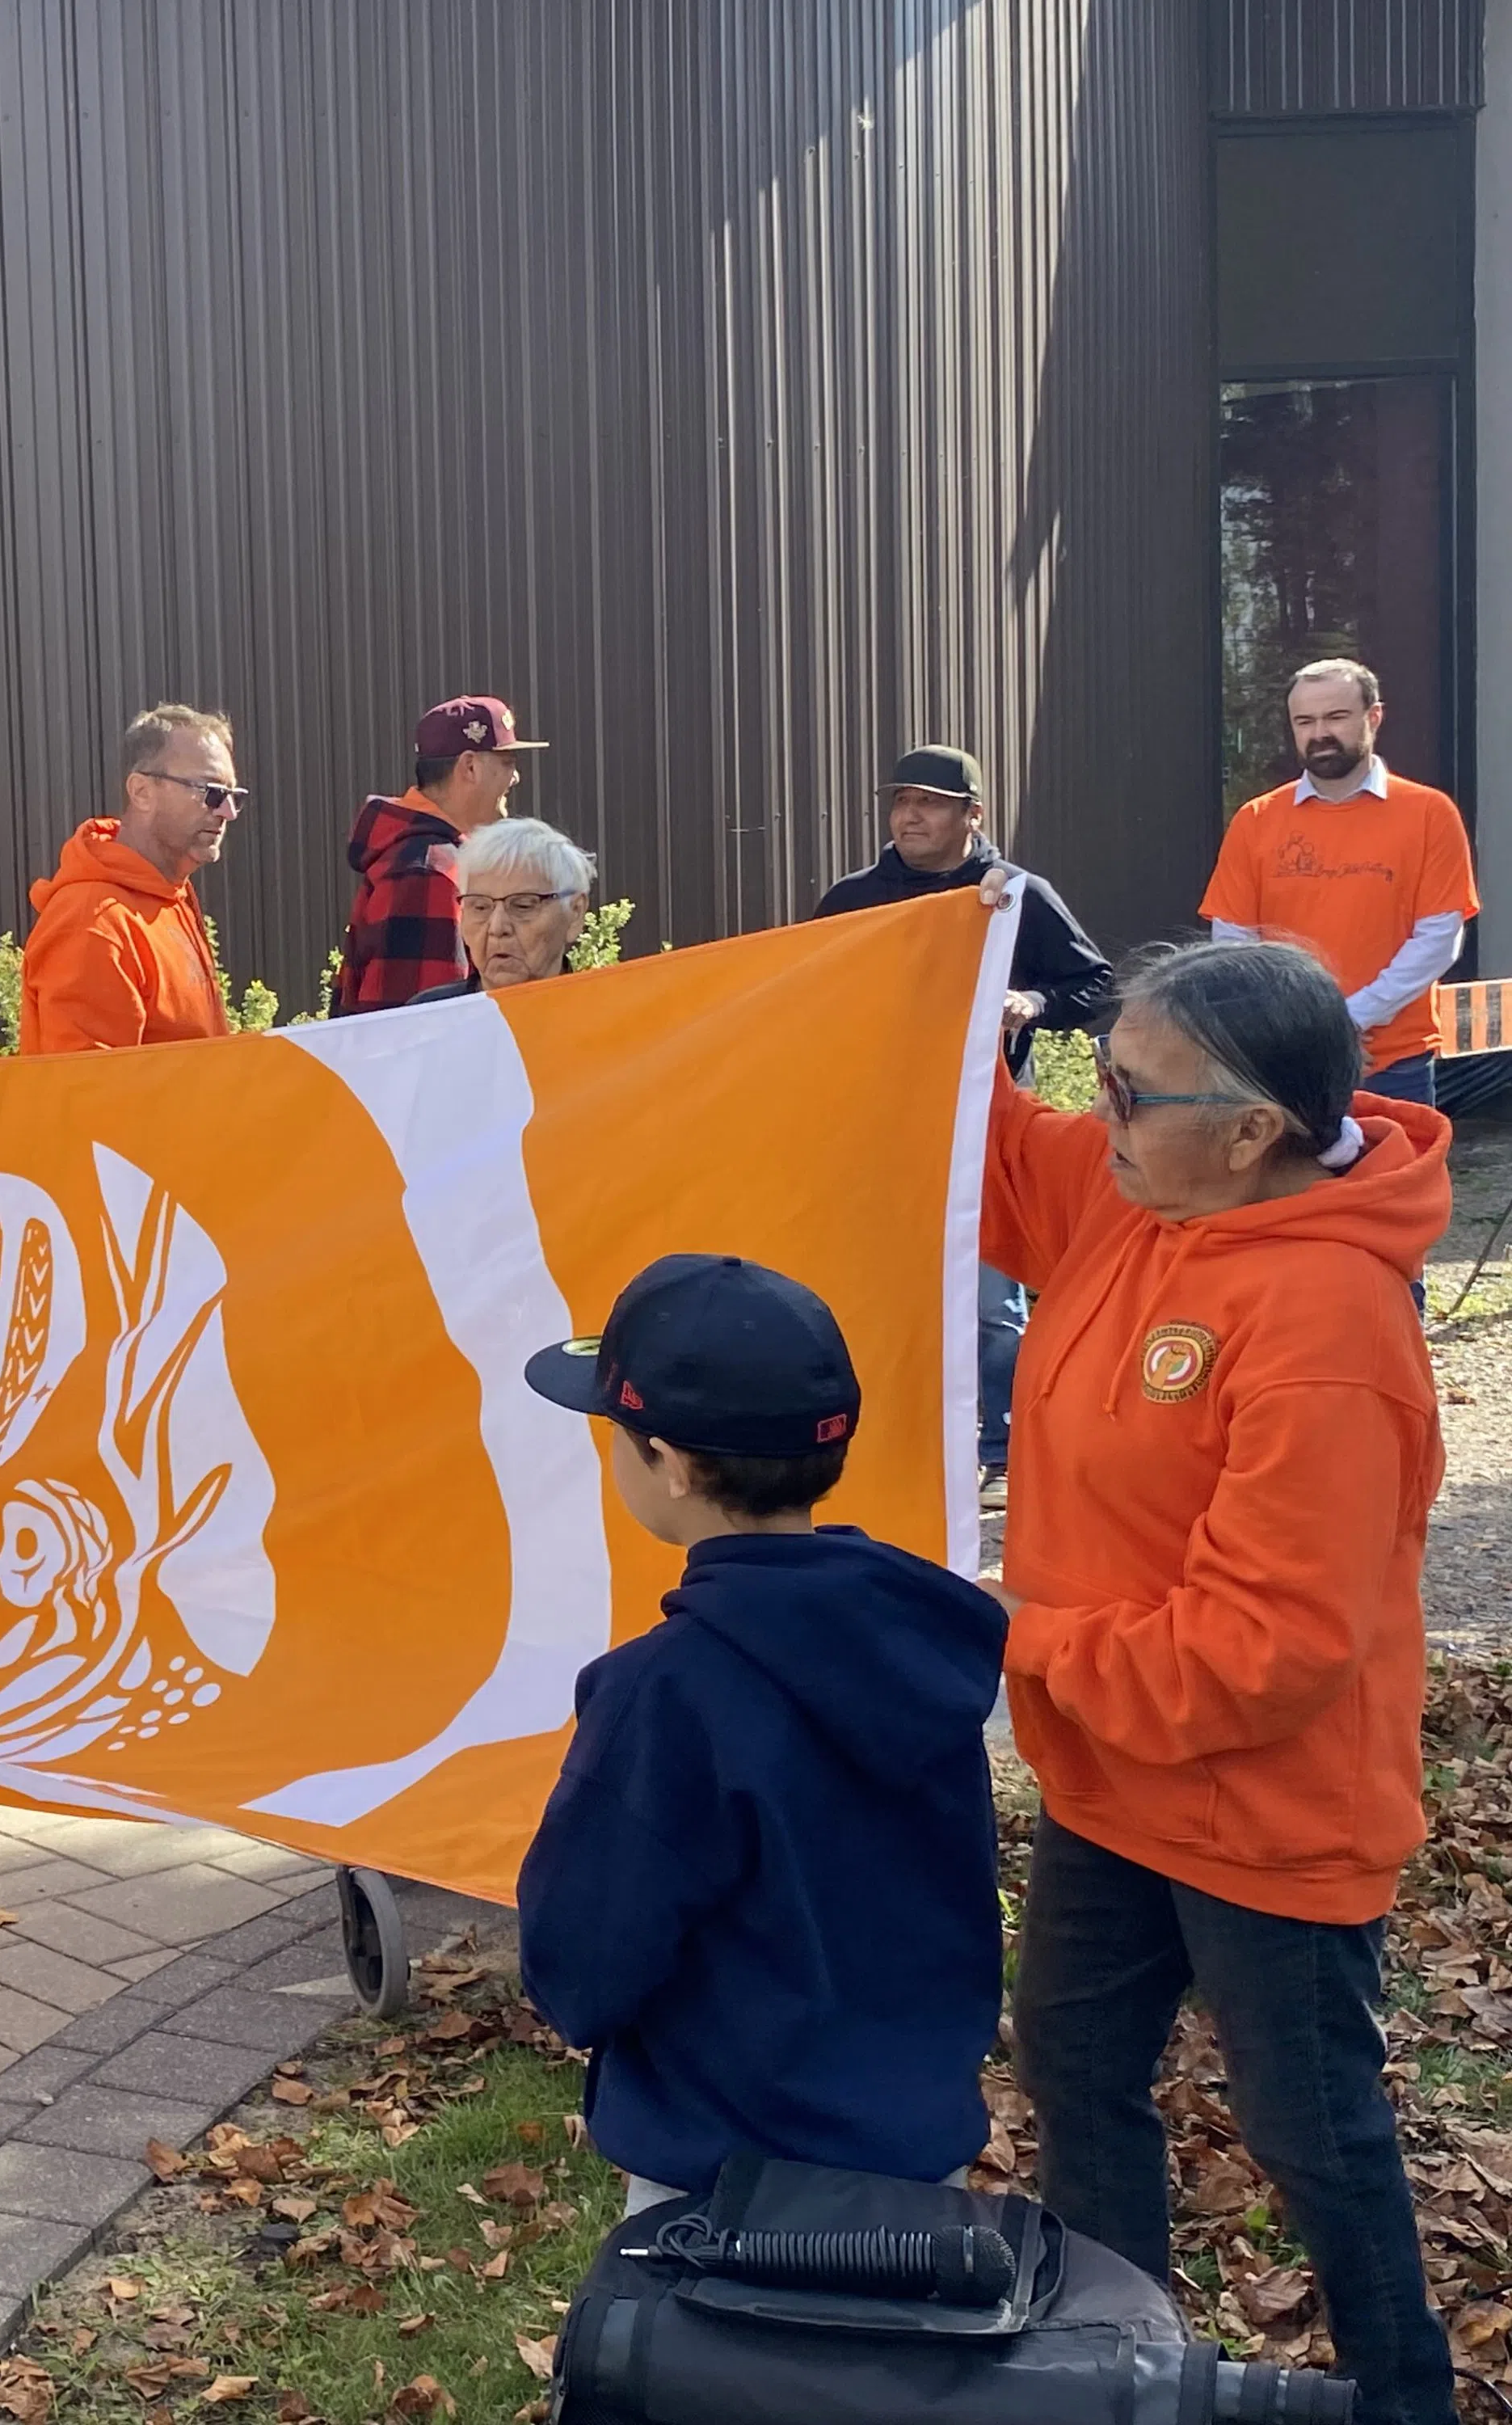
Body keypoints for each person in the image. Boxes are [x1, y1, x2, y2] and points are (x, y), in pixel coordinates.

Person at [982, 933, 1453, 2424]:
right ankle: (1117, 2372)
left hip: (1269, 1813)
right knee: (1073, 2068)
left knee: (1312, 2136)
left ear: (1254, 1130)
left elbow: (1269, 1651)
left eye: (1128, 1089)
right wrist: (927, 962)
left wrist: (1018, 1636)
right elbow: (969, 1135)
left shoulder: (1325, 1326)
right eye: (1098, 1076)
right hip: (1112, 1782)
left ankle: (1400, 2393)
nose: (1095, 1106)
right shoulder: (1133, 1188)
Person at [514, 1254, 1007, 2213]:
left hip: (720, 2182)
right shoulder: (918, 1636)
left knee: (720, 2371)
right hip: (917, 2159)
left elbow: (578, 1964)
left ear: (676, 1465)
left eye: (617, 1433)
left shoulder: (662, 1695)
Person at [813, 745, 1116, 1495]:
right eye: (901, 801)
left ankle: (1004, 1454)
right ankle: (899, 1442)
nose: (910, 815)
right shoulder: (854, 898)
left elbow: (1096, 982)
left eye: (931, 802)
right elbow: (810, 993)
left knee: (990, 1300)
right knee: (888, 1292)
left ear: (971, 815)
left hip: (988, 1127)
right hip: (883, 1125)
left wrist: (1031, 1003)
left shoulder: (1016, 895)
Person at [1202, 658, 1476, 1110]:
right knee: (1294, 1184)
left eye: (1336, 717)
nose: (1319, 733)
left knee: (1393, 1182)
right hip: (1286, 1062)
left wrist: (1351, 1017)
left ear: (1374, 718)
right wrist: (1285, 1023)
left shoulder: (1429, 814)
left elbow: (1438, 939)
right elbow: (1234, 944)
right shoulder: (1257, 820)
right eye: (1304, 721)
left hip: (1392, 1066)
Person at [20, 702, 242, 1054]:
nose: (226, 812)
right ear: (141, 792)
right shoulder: (93, 920)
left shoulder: (170, 895)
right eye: (211, 792)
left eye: (234, 796)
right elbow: (89, 1094)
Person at [336, 694, 548, 1015]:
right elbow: (425, 1031)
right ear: (470, 767)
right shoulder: (430, 870)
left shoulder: (425, 858)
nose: (515, 777)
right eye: (507, 762)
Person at [406, 818, 596, 1001]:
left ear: (575, 913)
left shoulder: (611, 1020)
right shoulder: (426, 1021)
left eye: (523, 906)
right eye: (480, 907)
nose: (497, 928)